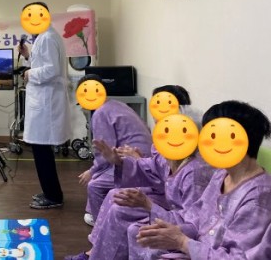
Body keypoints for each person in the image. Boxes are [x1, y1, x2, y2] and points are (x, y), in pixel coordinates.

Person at [65, 85, 214, 260]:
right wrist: (119, 161)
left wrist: (148, 205)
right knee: (117, 196)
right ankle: (96, 250)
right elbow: (152, 167)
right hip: (166, 203)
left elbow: (191, 222)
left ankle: (97, 254)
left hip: (175, 216)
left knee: (114, 203)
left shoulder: (193, 172)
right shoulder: (171, 151)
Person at [135, 100, 271, 259]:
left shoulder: (259, 198)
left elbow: (237, 257)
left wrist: (181, 242)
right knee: (141, 236)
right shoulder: (221, 175)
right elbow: (195, 219)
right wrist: (170, 232)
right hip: (199, 250)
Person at [18, 1, 73, 209]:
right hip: (43, 100)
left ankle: (53, 196)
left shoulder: (48, 37)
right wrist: (27, 56)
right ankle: (50, 191)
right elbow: (43, 63)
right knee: (41, 149)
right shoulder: (44, 36)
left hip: (46, 102)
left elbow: (51, 70)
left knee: (42, 150)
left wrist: (29, 73)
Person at [77, 75, 152, 225]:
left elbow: (104, 152)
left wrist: (91, 171)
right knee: (99, 175)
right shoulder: (116, 104)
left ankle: (101, 227)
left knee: (94, 185)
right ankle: (95, 212)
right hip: (144, 157)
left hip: (136, 162)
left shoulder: (100, 113)